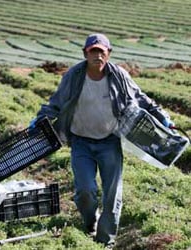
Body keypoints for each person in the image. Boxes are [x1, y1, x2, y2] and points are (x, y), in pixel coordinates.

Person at [29, 33, 174, 247]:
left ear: (108, 54)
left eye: (101, 51)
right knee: (85, 191)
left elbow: (140, 98)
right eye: (93, 51)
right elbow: (56, 102)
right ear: (85, 53)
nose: (97, 55)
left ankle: (106, 240)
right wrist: (39, 120)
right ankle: (90, 222)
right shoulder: (74, 76)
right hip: (81, 141)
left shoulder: (119, 76)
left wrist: (163, 117)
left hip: (109, 140)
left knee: (112, 194)